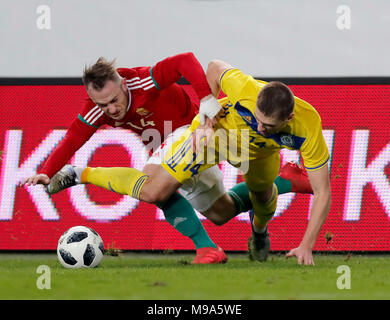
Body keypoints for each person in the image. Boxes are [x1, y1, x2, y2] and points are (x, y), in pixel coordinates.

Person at [20, 53, 313, 263]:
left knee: (151, 188)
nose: (110, 109)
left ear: (122, 83)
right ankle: (285, 181)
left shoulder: (142, 81)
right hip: (170, 149)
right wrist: (47, 170)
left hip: (191, 134)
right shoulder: (98, 108)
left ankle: (80, 174)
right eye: (102, 104)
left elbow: (185, 60)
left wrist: (207, 100)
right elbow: (73, 137)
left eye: (113, 100)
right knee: (221, 213)